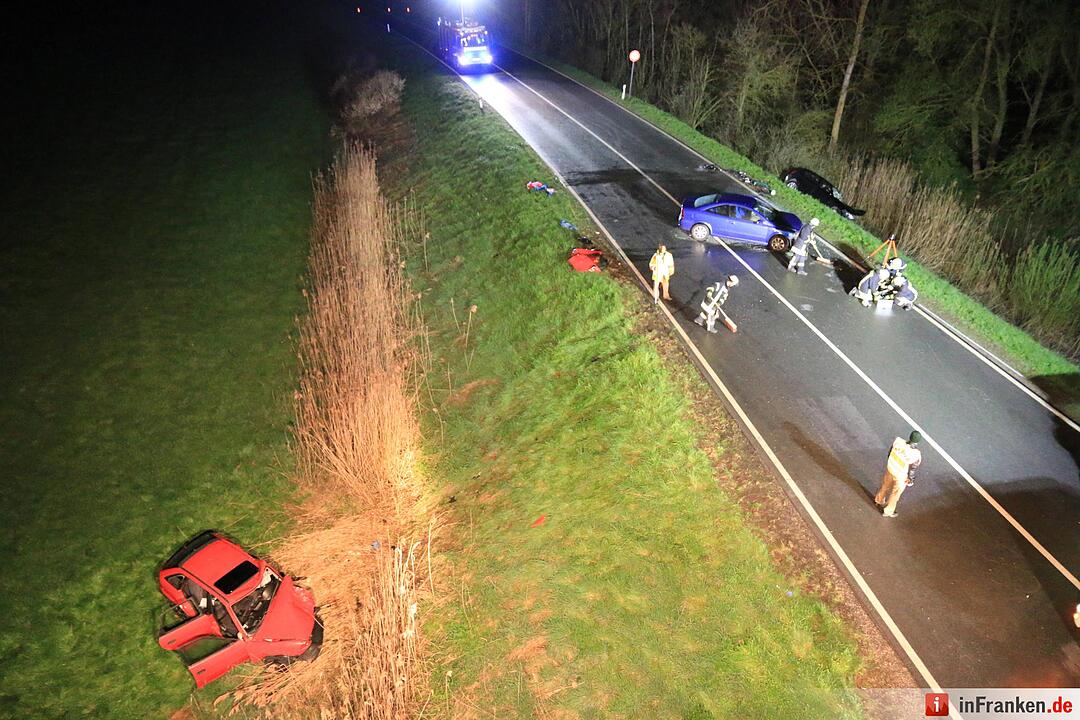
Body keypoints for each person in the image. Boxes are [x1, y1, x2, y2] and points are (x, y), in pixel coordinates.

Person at [874, 431, 923, 517]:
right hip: (900, 475)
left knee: (885, 485)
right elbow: (913, 468)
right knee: (896, 493)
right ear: (917, 442)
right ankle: (888, 511)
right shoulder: (915, 454)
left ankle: (879, 500)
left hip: (890, 467)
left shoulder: (898, 441)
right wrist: (910, 479)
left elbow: (890, 452)